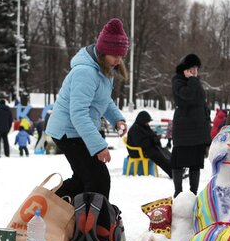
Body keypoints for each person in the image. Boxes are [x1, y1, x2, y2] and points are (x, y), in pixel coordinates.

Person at [45, 17, 128, 200]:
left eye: (121, 56)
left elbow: (103, 100)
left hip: (78, 131)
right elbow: (78, 114)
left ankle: (47, 206)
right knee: (98, 180)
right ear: (103, 52)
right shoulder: (86, 72)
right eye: (115, 55)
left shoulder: (103, 71)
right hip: (68, 132)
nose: (118, 60)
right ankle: (90, 222)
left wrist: (117, 119)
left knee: (84, 180)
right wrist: (99, 146)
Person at [171, 54, 210, 196]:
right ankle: (178, 192)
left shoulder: (195, 81)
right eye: (192, 69)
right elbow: (186, 97)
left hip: (198, 129)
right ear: (185, 69)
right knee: (178, 162)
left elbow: (200, 100)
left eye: (196, 69)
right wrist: (192, 80)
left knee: (195, 163)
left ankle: (193, 192)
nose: (195, 72)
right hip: (184, 129)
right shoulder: (178, 81)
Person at [128, 110, 172, 177]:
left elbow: (152, 135)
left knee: (164, 151)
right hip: (138, 152)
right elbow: (141, 143)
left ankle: (177, 169)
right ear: (142, 120)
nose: (148, 123)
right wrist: (153, 140)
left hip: (147, 148)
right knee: (158, 156)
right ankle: (172, 172)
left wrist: (155, 139)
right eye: (147, 121)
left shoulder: (144, 126)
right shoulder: (135, 129)